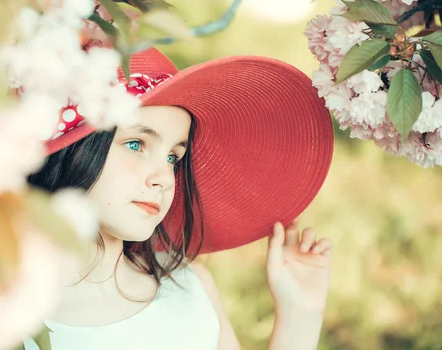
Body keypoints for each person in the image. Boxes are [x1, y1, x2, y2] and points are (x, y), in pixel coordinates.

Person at [25, 47, 335, 350]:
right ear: (71, 149)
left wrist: (300, 314)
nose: (163, 177)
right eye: (135, 144)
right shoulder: (1, 318)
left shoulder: (189, 283)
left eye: (174, 158)